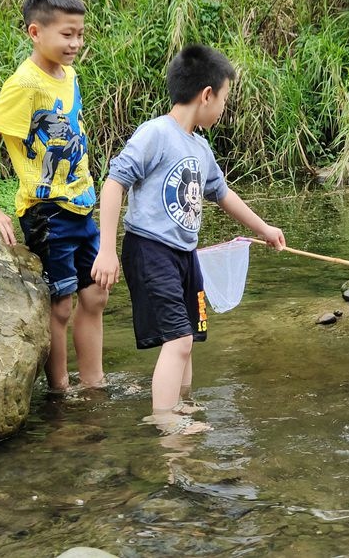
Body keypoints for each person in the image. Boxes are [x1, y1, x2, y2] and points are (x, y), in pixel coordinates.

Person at [91, 44, 285, 434]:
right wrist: (107, 250)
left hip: (184, 253)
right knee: (177, 339)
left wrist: (262, 228)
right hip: (149, 249)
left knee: (189, 338)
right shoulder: (156, 134)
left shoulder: (200, 146)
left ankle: (183, 407)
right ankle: (165, 423)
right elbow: (115, 183)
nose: (224, 110)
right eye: (224, 100)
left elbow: (222, 194)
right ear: (207, 94)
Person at [0, 0, 107, 394]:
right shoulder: (24, 84)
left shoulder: (69, 76)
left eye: (80, 34)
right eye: (67, 34)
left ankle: (95, 382)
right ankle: (61, 390)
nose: (76, 43)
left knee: (95, 295)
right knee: (61, 303)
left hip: (82, 205)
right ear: (35, 32)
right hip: (48, 212)